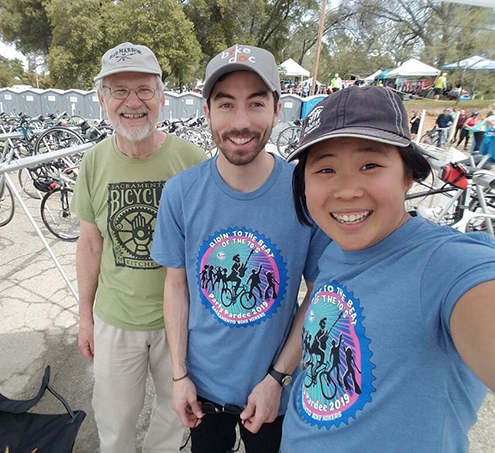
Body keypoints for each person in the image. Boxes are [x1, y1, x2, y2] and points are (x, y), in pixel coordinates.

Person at [280, 85, 495, 452]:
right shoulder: (335, 250)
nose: (346, 190)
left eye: (370, 165)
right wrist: (276, 380)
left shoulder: (447, 265)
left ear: (407, 175)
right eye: (326, 168)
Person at [151, 44, 330, 453]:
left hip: (274, 391)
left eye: (256, 103)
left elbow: (321, 293)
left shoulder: (305, 192)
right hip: (202, 389)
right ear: (207, 111)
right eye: (226, 104)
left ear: (277, 108)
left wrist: (277, 378)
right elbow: (175, 287)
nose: (241, 122)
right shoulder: (181, 193)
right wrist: (179, 376)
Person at [71, 42, 206, 453]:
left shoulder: (191, 160)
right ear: (101, 100)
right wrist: (84, 316)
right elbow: (90, 244)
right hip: (116, 320)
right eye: (119, 90)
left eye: (144, 89)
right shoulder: (94, 162)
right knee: (114, 420)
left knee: (174, 416)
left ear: (162, 97)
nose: (133, 102)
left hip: (180, 324)